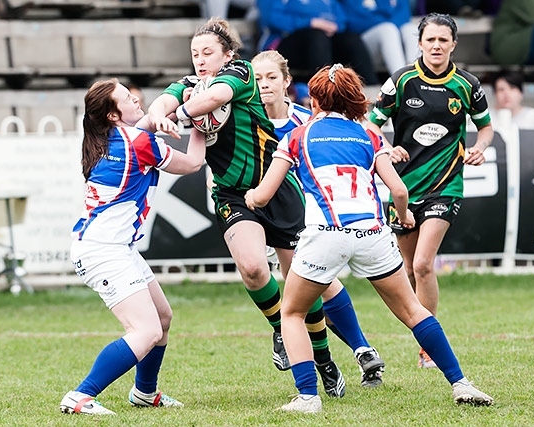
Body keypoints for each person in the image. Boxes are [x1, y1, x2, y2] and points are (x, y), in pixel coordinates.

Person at [147, 17, 386, 398]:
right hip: (234, 195)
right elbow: (169, 97)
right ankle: (282, 329)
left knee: (306, 282)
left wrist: (180, 112)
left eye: (207, 52)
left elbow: (210, 101)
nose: (199, 59)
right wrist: (157, 113)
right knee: (254, 268)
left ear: (228, 55)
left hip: (283, 195)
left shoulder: (243, 77)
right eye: (194, 54)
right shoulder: (193, 86)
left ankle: (329, 355)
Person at [244, 63, 494, 413]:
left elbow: (266, 194)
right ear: (354, 99)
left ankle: (307, 397)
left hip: (326, 234)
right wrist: (404, 217)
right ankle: (460, 383)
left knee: (292, 313)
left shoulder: (298, 136)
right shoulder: (369, 136)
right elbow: (399, 190)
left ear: (314, 100)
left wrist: (251, 198)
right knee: (413, 310)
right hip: (373, 233)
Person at [60, 78, 206, 415]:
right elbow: (193, 163)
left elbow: (143, 125)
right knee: (146, 330)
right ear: (113, 115)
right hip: (103, 250)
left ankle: (145, 392)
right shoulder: (136, 141)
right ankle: (80, 395)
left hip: (113, 247)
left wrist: (172, 105)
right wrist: (203, 122)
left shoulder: (108, 136)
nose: (137, 98)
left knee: (163, 318)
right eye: (127, 97)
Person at [365, 13, 494, 369]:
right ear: (419, 43)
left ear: (453, 44)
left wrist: (480, 146)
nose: (436, 46)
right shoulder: (401, 81)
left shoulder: (467, 85)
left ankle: (428, 352)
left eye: (443, 40)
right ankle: (426, 333)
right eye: (430, 40)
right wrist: (387, 149)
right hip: (403, 187)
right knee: (407, 269)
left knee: (423, 264)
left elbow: (485, 128)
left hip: (446, 186)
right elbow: (371, 127)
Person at [252, 49, 386, 387]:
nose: (264, 85)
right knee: (256, 272)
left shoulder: (306, 121)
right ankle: (291, 338)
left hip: (301, 212)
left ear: (287, 83)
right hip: (255, 209)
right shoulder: (243, 120)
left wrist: (384, 146)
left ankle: (356, 350)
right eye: (257, 79)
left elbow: (359, 130)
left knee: (314, 285)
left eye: (271, 77)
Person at [256, 0, 378, 85]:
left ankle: (371, 88)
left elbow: (341, 19)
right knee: (317, 35)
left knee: (351, 40)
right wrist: (311, 22)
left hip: (323, 46)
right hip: (284, 45)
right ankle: (325, 88)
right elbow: (271, 19)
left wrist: (334, 26)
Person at [342, 0, 419, 75]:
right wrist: (385, 18)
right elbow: (353, 22)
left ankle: (415, 76)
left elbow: (404, 16)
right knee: (387, 29)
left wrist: (377, 16)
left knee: (410, 29)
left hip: (394, 38)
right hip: (363, 45)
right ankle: (400, 79)